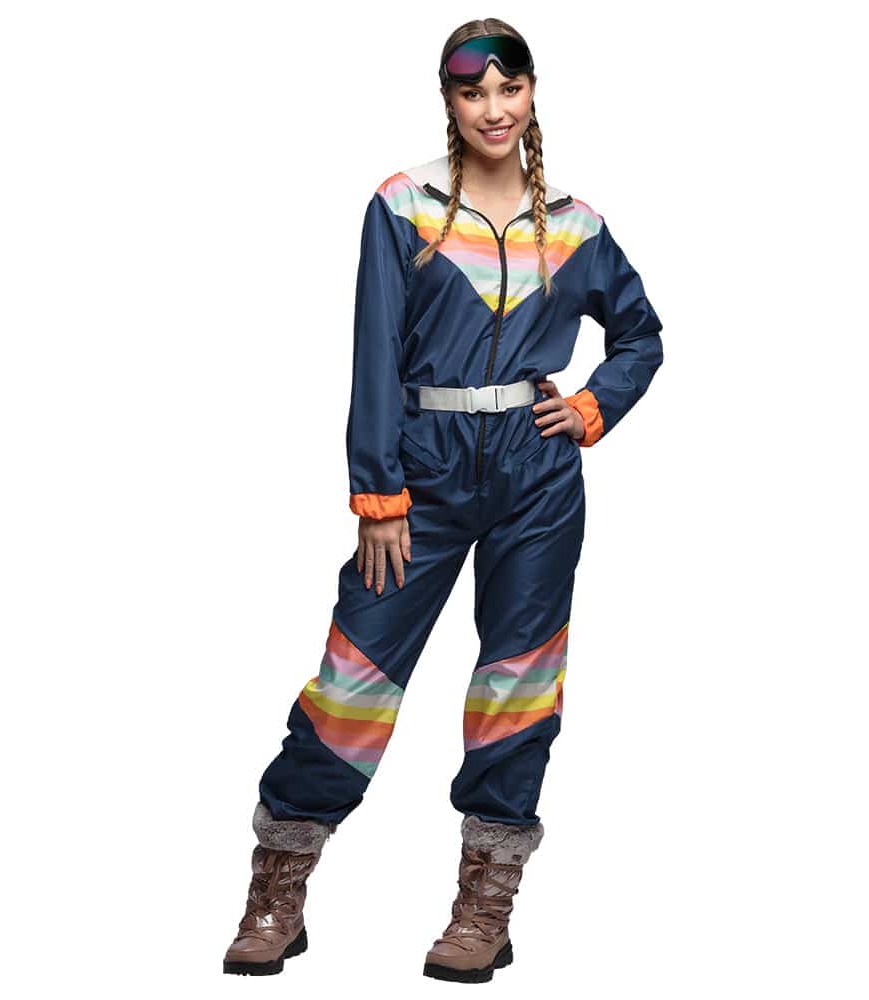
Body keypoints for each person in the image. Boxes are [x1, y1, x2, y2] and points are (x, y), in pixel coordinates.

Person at [223, 18, 664, 984]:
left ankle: (483, 911)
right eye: (473, 93)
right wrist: (378, 493)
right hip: (420, 470)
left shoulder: (577, 226)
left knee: (519, 680)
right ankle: (278, 891)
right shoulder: (404, 207)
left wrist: (591, 407)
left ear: (533, 94)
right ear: (449, 102)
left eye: (510, 90)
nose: (493, 110)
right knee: (355, 676)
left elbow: (641, 334)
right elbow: (375, 351)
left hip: (536, 476)